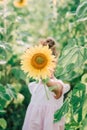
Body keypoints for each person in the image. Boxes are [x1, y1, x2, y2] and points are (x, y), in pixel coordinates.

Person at [22, 38, 70, 130]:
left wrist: (41, 70)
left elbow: (54, 88)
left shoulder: (58, 85)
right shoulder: (35, 86)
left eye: (45, 63)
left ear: (54, 63)